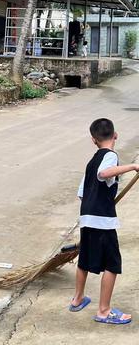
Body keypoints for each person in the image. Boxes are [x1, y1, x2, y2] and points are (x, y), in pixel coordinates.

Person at [69, 118, 137, 325]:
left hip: (87, 217)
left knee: (85, 259)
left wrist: (98, 201)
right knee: (112, 264)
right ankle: (104, 311)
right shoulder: (110, 156)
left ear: (93, 140)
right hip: (102, 221)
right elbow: (104, 174)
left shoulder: (92, 161)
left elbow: (82, 193)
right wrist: (133, 165)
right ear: (115, 135)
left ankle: (77, 299)